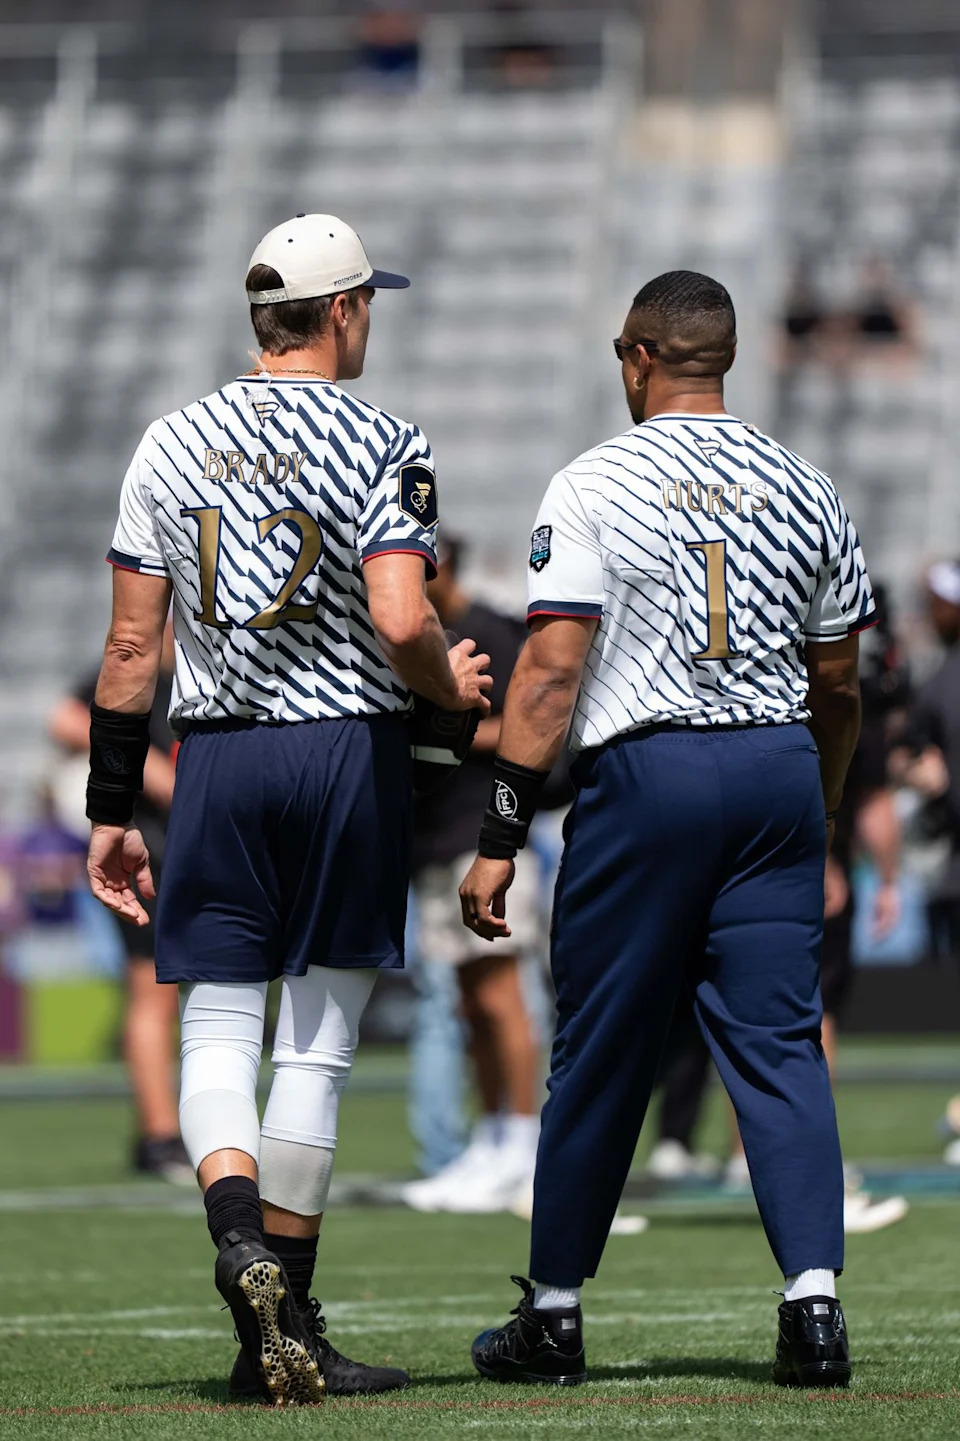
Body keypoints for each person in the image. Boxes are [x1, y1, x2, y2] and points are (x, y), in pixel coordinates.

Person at [83, 213, 491, 1405]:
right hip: (342, 752)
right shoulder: (383, 436)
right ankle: (292, 1307)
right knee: (316, 1036)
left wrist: (116, 802)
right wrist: (450, 693)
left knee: (217, 1023)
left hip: (214, 758)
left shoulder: (169, 439)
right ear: (348, 309)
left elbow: (127, 645)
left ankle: (235, 1241)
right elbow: (405, 619)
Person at [460, 270, 875, 1389]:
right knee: (782, 1045)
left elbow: (549, 677)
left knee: (601, 1047)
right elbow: (838, 682)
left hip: (651, 772)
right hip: (779, 766)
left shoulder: (596, 480)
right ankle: (815, 1305)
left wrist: (499, 833)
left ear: (636, 356)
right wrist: (821, 803)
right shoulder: (809, 483)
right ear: (724, 358)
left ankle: (552, 1313)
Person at [403, 536, 542, 1212]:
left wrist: (441, 728)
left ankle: (524, 1142)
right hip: (432, 838)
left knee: (500, 996)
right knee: (467, 1001)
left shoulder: (491, 633)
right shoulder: (420, 640)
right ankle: (491, 1141)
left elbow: (530, 724)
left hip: (483, 835)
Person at [49, 622, 189, 1183]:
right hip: (150, 852)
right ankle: (160, 1134)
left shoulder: (211, 673)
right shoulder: (148, 668)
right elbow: (64, 716)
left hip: (197, 849)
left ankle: (170, 1130)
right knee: (151, 991)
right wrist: (143, 765)